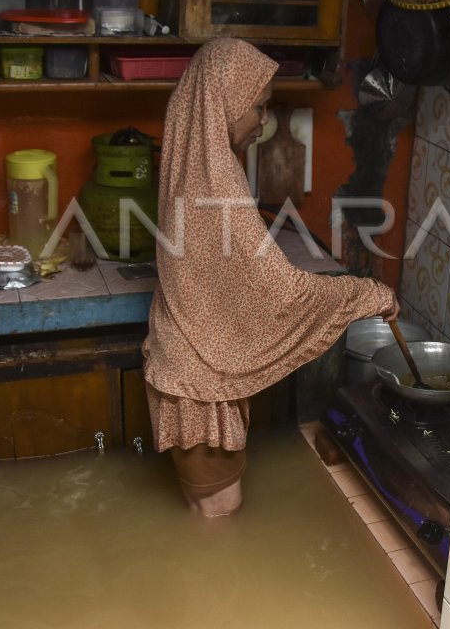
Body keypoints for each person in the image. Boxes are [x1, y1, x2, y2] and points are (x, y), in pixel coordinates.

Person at [143, 38, 399, 517]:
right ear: (224, 105)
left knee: (209, 514)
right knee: (219, 514)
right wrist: (367, 293)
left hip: (190, 363)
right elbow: (282, 294)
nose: (263, 121)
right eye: (257, 108)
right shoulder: (216, 187)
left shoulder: (193, 163)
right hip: (198, 382)